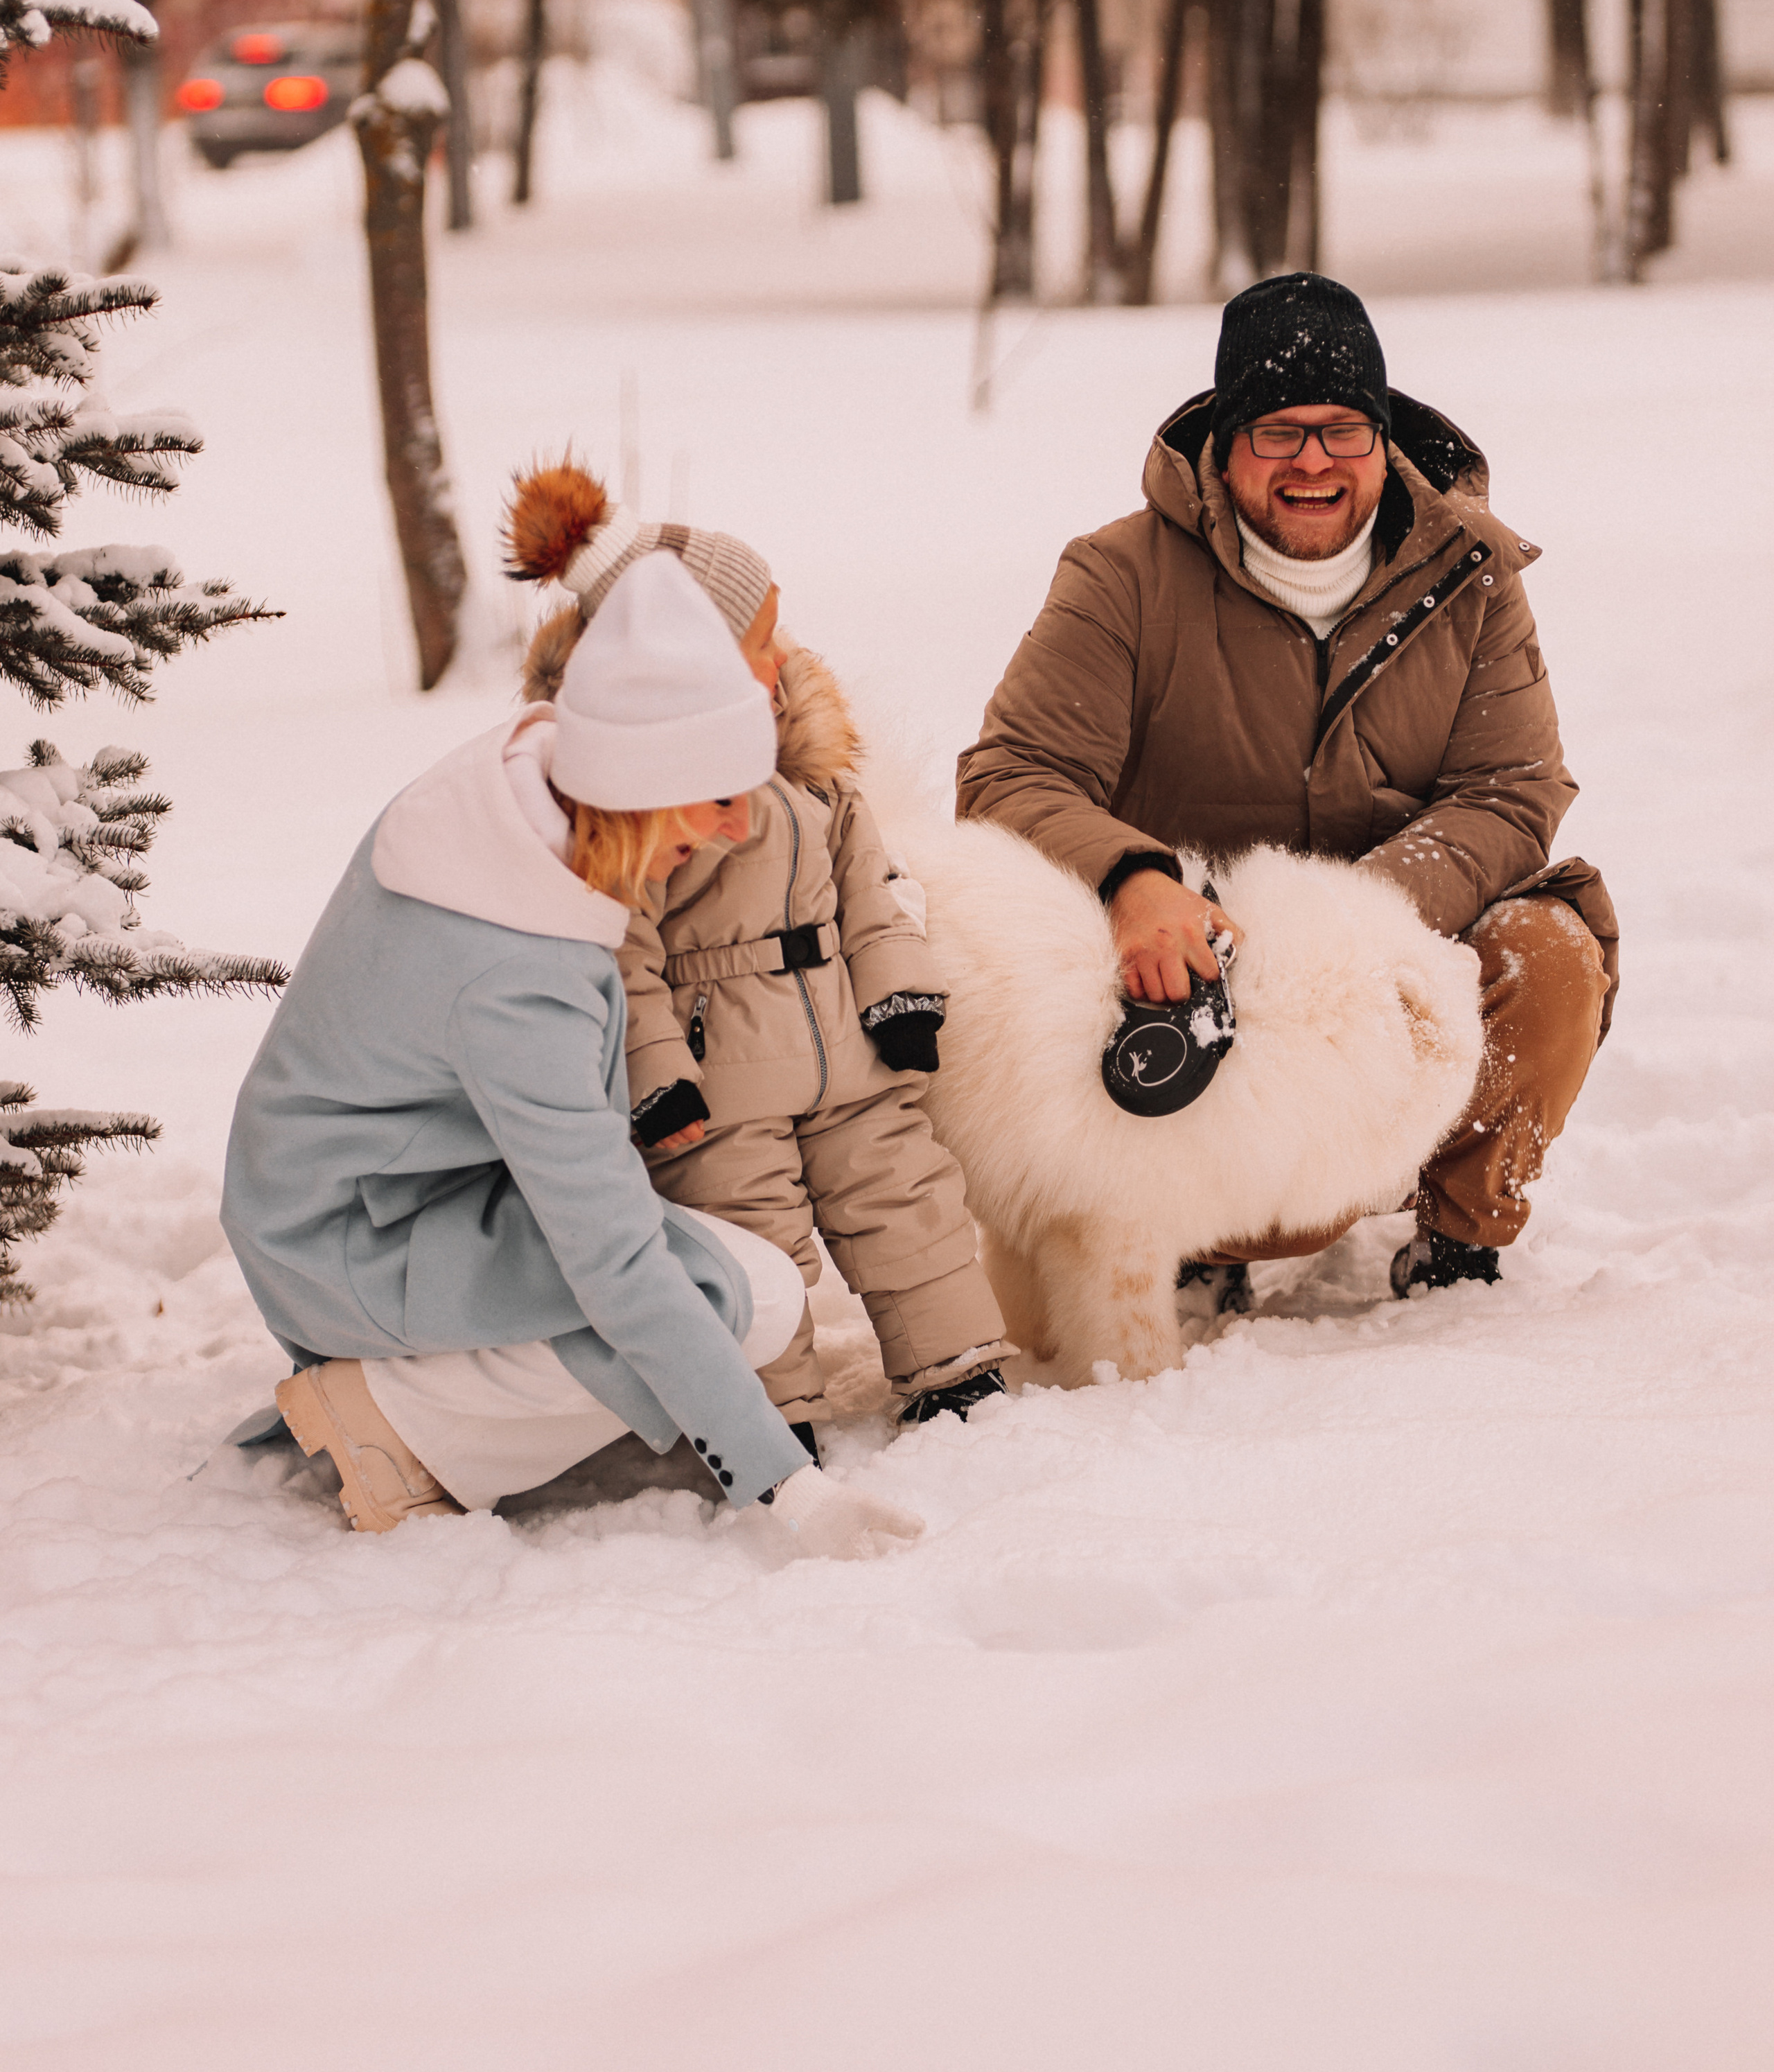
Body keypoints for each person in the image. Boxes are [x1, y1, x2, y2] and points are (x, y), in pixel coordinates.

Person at [220, 550, 920, 1554]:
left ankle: (433, 1398)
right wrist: (786, 1488)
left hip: (356, 1194)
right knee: (750, 1297)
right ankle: (396, 1429)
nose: (737, 827)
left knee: (725, 1279)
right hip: (351, 1241)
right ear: (644, 783)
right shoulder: (517, 978)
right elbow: (615, 1259)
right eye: (719, 794)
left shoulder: (520, 789)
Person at [956, 270, 1618, 1299]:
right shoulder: (1119, 577)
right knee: (1256, 1221)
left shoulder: (1470, 578)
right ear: (1225, 445)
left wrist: (1351, 924)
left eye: (1343, 429)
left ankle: (1459, 1233)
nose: (1314, 462)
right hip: (1199, 977)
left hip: (1389, 954)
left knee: (1549, 957)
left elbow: (1514, 788)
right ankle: (1192, 1236)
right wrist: (1135, 881)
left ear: (1383, 440)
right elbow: (1009, 777)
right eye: (1277, 431)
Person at [504, 464, 1010, 1448]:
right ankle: (769, 1417)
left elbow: (876, 887)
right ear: (681, 655)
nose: (784, 654)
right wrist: (658, 1077)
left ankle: (955, 1367)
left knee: (905, 1197)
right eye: (760, 638)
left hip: (846, 1053)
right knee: (745, 1241)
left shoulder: (809, 765)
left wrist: (899, 994)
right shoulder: (634, 798)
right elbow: (621, 954)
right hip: (720, 1080)